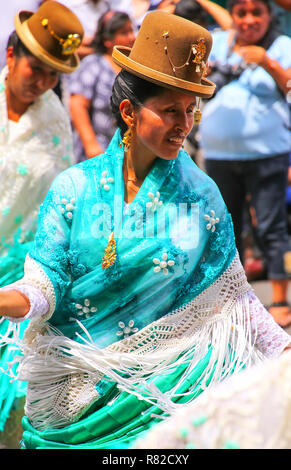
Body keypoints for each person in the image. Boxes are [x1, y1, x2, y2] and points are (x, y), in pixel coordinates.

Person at [0, 11, 290, 450]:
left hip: (163, 396)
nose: (184, 125)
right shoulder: (75, 189)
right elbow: (46, 282)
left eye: (191, 111)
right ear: (128, 112)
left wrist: (283, 353)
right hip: (73, 398)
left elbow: (235, 299)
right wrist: (8, 299)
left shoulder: (201, 196)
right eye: (170, 110)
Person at [0, 0, 84, 447]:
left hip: (22, 274)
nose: (44, 82)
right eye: (37, 68)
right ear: (11, 55)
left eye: (55, 74)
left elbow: (58, 200)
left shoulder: (54, 116)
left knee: (15, 387)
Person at [199, 0, 291, 327]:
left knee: (271, 227)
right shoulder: (218, 42)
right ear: (233, 16)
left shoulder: (282, 47)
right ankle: (233, 299)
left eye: (257, 13)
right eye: (241, 13)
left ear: (270, 16)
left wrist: (267, 62)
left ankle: (280, 297)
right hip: (220, 155)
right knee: (225, 228)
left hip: (268, 153)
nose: (249, 20)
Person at [68, 10, 136, 162]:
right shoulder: (94, 64)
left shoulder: (133, 70)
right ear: (107, 40)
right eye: (124, 33)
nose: (132, 37)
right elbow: (77, 105)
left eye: (132, 30)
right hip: (97, 152)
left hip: (126, 154)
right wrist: (91, 146)